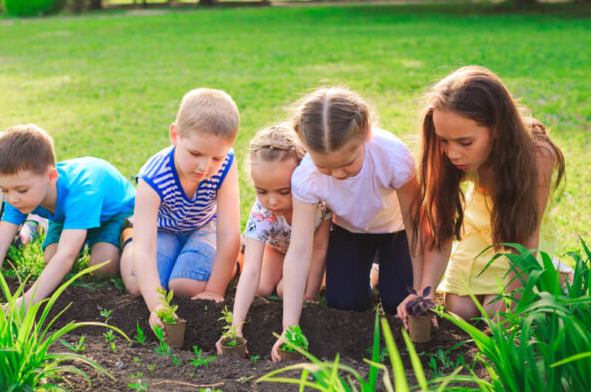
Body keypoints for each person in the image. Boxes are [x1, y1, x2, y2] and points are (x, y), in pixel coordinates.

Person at [399, 65, 565, 324]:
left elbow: (525, 242)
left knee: (495, 314)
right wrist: (423, 294)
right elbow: (439, 227)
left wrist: (513, 310)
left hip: (518, 236)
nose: (452, 154)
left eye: (465, 143)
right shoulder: (446, 154)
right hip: (476, 233)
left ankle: (558, 273)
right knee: (460, 311)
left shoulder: (536, 155)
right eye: (444, 140)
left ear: (497, 128)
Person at [271, 87, 421, 361]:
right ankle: (371, 275)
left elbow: (417, 226)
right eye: (325, 168)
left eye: (347, 164)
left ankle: (382, 271)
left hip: (396, 233)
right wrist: (289, 326)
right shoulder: (305, 178)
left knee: (396, 303)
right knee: (345, 304)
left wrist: (422, 292)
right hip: (349, 232)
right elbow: (299, 249)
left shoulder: (393, 157)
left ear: (366, 135)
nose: (337, 174)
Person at [120, 88, 241, 333]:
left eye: (216, 158)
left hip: (203, 226)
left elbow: (228, 232)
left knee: (186, 286)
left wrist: (215, 289)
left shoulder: (226, 163)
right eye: (195, 153)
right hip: (162, 232)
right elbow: (145, 249)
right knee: (136, 285)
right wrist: (156, 306)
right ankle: (128, 235)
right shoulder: (152, 178)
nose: (204, 167)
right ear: (175, 135)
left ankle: (239, 261)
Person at [0, 124, 136, 307]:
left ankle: (124, 232)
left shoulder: (83, 192)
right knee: (51, 260)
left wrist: (24, 304)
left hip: (114, 212)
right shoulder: (18, 193)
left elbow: (66, 255)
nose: (11, 198)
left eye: (21, 190)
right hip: (65, 216)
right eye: (3, 190)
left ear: (51, 177)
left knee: (103, 267)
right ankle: (47, 226)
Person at [217, 123, 331, 355]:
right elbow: (251, 270)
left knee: (284, 291)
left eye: (283, 191)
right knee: (259, 286)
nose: (272, 202)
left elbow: (319, 250)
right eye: (262, 191)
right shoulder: (262, 211)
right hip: (277, 250)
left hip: (310, 256)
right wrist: (235, 328)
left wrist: (310, 292)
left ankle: (374, 271)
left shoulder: (317, 205)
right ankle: (243, 248)